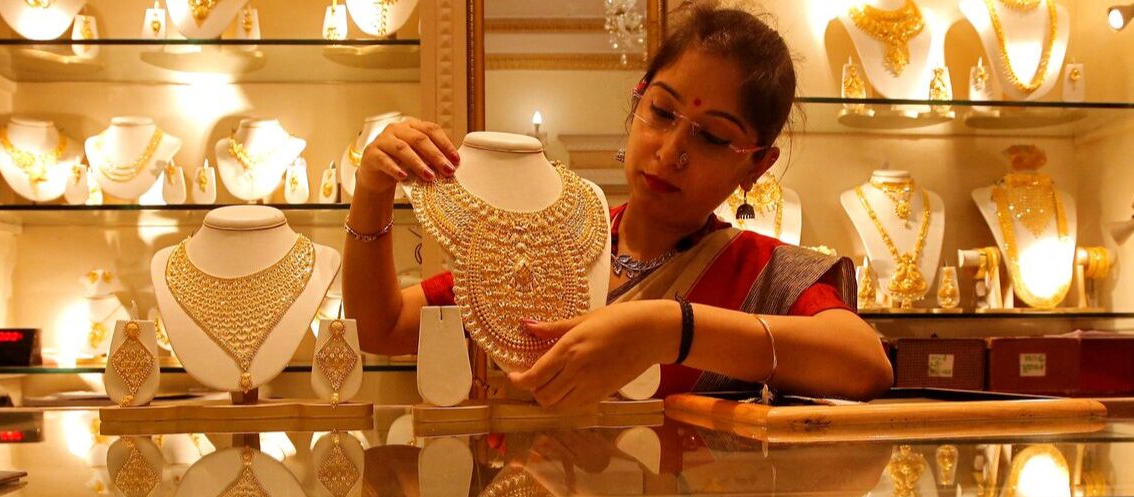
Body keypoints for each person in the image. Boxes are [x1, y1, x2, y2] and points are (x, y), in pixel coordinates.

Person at [343, 1, 893, 408]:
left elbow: (865, 364)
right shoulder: (546, 239)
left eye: (712, 138)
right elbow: (381, 327)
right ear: (638, 101)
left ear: (756, 166)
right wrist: (371, 193)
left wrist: (667, 330)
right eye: (662, 112)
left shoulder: (763, 275)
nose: (672, 150)